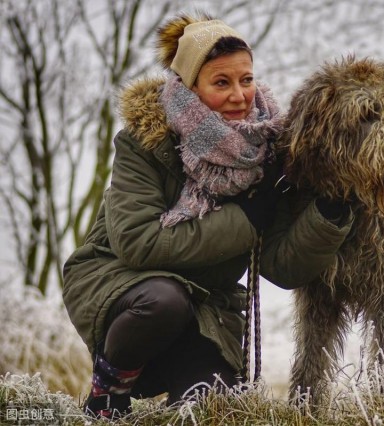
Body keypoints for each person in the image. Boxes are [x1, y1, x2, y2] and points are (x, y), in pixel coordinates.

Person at [62, 13, 353, 420]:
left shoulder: (269, 153)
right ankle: (107, 394)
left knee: (208, 408)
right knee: (164, 301)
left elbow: (281, 267)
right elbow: (138, 243)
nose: (239, 95)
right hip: (122, 283)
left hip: (206, 308)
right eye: (221, 82)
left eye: (246, 79)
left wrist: (329, 213)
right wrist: (247, 220)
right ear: (190, 88)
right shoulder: (146, 141)